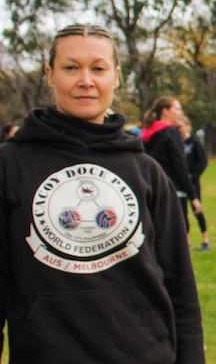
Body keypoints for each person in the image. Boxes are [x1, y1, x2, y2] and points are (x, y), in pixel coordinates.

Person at [0, 23, 203, 362]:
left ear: (116, 76)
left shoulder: (146, 170)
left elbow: (180, 286)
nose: (86, 81)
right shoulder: (9, 165)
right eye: (70, 68)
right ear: (50, 75)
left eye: (98, 68)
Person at [141, 96, 202, 246]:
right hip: (173, 191)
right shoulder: (170, 133)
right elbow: (180, 166)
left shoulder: (148, 133)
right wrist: (193, 196)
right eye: (177, 108)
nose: (180, 112)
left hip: (152, 189)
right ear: (165, 111)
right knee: (176, 237)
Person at [177, 115, 210, 251]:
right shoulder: (176, 143)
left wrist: (194, 175)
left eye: (181, 127)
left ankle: (205, 240)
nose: (179, 130)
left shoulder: (194, 142)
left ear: (187, 126)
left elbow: (203, 162)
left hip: (193, 183)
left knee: (197, 210)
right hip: (180, 183)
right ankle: (187, 241)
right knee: (182, 213)